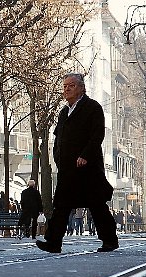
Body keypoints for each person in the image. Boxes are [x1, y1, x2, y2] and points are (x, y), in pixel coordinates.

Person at [36, 73, 118, 253]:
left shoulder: (92, 107)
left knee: (97, 204)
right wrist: (57, 157)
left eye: (71, 86)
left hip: (87, 168)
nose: (66, 89)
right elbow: (58, 137)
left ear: (81, 88)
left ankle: (109, 240)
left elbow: (97, 135)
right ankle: (53, 242)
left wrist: (85, 155)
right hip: (67, 168)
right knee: (61, 205)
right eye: (65, 86)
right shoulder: (64, 112)